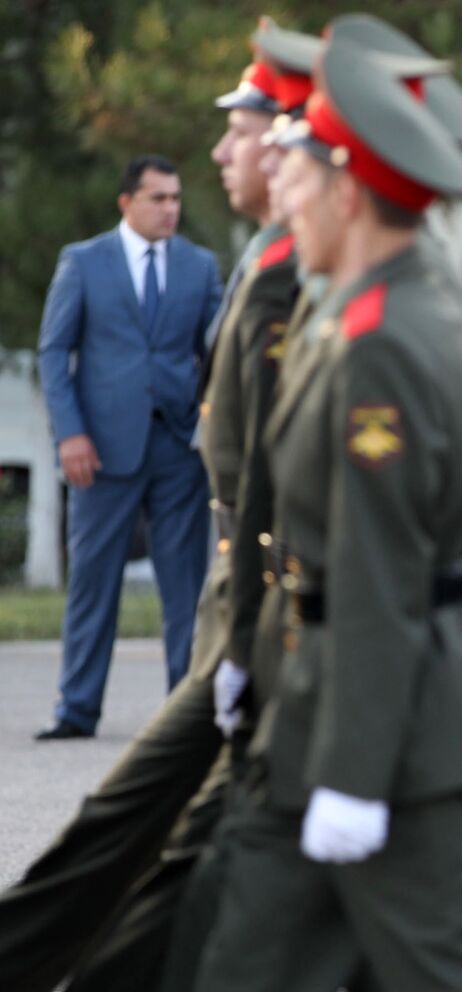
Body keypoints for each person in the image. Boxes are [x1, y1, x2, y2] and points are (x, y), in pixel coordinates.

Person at [192, 30, 462, 991]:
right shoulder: (362, 310)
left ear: (345, 189)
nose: (280, 189)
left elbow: (380, 567)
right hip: (329, 698)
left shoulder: (382, 334)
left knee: (447, 967)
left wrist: (351, 768)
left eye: (298, 170)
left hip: (384, 719)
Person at [0, 34, 312, 992]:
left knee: (161, 848)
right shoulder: (107, 261)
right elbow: (62, 355)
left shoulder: (294, 273)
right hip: (252, 599)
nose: (219, 158)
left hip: (295, 630)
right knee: (151, 846)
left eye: (239, 134)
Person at [35, 154, 223, 739]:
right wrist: (70, 434)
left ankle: (185, 710)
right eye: (158, 198)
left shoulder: (199, 265)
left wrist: (210, 428)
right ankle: (77, 710)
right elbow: (53, 355)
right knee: (93, 580)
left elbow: (218, 354)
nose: (170, 209)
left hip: (177, 448)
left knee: (185, 586)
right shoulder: (84, 262)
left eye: (175, 198)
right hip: (100, 449)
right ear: (127, 202)